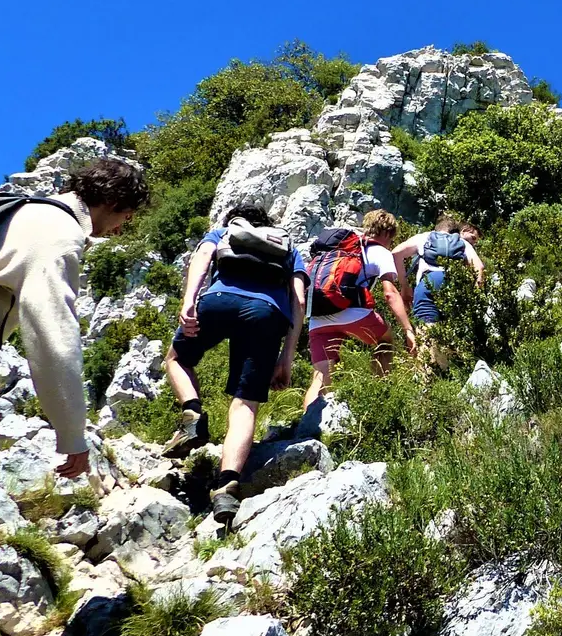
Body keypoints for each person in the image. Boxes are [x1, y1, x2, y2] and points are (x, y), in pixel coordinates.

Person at [0, 159, 148, 479]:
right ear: (111, 201)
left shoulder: (23, 211)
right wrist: (72, 434)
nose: (120, 229)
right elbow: (53, 337)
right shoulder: (59, 232)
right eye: (126, 217)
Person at [162, 204, 308, 527]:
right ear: (269, 227)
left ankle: (193, 414)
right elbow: (298, 299)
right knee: (245, 404)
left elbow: (200, 260)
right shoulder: (289, 249)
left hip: (218, 302)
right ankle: (226, 488)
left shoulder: (222, 233)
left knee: (176, 359)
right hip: (267, 314)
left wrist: (189, 302)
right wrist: (287, 355)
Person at [301, 209, 417, 411]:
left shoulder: (337, 250)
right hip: (353, 312)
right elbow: (390, 294)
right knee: (386, 341)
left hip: (317, 317)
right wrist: (407, 329)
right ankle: (379, 397)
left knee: (320, 377)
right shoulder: (380, 251)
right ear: (387, 234)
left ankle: (306, 428)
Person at [392, 217, 483, 371]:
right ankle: (448, 373)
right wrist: (474, 297)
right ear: (455, 232)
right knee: (449, 332)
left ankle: (426, 379)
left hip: (428, 283)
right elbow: (479, 267)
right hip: (453, 286)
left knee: (427, 333)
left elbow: (396, 253)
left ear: (437, 229)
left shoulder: (425, 236)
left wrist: (405, 285)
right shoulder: (463, 243)